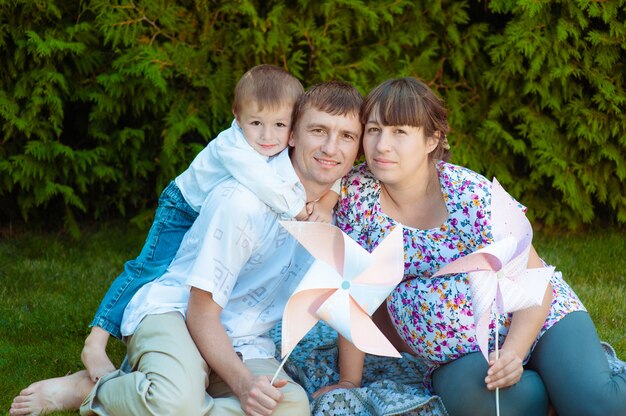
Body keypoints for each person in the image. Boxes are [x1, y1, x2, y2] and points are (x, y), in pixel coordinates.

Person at [10, 80, 363, 416]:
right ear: (293, 135)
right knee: (176, 403)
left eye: (347, 136)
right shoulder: (240, 201)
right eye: (318, 131)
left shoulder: (343, 211)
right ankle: (93, 389)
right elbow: (200, 312)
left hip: (244, 337)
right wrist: (243, 385)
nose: (331, 148)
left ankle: (165, 397)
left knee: (291, 407)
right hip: (179, 314)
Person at [315, 77, 626, 416]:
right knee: (500, 405)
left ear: (432, 139)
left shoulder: (469, 194)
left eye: (400, 132)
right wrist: (349, 380)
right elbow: (352, 293)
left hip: (537, 316)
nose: (382, 145)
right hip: (461, 355)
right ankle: (553, 391)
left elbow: (533, 280)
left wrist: (513, 353)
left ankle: (571, 386)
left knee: (597, 404)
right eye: (374, 130)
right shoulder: (358, 199)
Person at [79, 64, 339, 383]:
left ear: (293, 126)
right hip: (185, 206)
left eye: (279, 125)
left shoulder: (274, 141)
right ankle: (96, 341)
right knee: (148, 269)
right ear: (236, 114)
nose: (268, 136)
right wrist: (301, 209)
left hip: (210, 214)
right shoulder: (233, 146)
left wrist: (327, 200)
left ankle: (165, 351)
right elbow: (266, 185)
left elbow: (333, 177)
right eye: (256, 122)